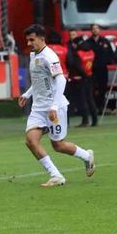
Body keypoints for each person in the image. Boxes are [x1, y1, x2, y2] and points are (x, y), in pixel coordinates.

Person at [18, 25, 96, 187]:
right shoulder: (34, 55)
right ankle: (56, 175)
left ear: (41, 38)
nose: (29, 43)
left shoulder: (50, 56)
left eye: (32, 39)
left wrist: (53, 106)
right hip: (38, 108)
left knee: (58, 145)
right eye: (27, 40)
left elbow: (60, 80)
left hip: (54, 107)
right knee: (31, 140)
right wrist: (27, 94)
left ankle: (87, 156)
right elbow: (40, 81)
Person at [85, 24, 114, 112]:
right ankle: (93, 108)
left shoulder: (105, 41)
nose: (95, 30)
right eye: (93, 29)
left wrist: (109, 61)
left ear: (99, 30)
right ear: (91, 30)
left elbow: (110, 53)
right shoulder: (88, 42)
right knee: (93, 88)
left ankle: (101, 107)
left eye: (96, 28)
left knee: (103, 88)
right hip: (92, 69)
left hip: (103, 68)